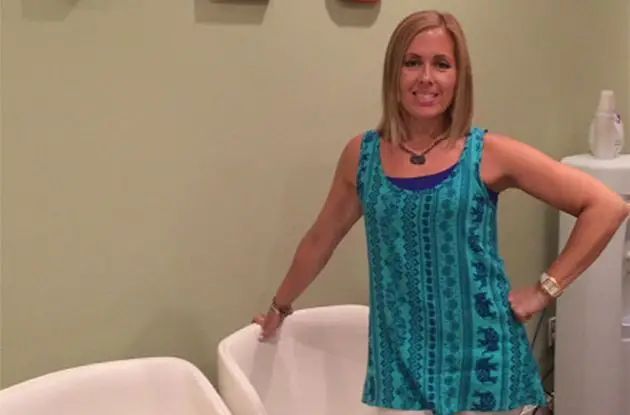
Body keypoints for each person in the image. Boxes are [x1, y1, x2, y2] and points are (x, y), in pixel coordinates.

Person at [252, 9, 630, 415]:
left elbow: (606, 207)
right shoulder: (362, 157)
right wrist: (279, 307)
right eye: (412, 62)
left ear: (458, 77)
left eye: (441, 64)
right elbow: (320, 238)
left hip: (482, 365)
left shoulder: (487, 153)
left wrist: (544, 291)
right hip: (400, 365)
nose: (426, 77)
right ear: (393, 73)